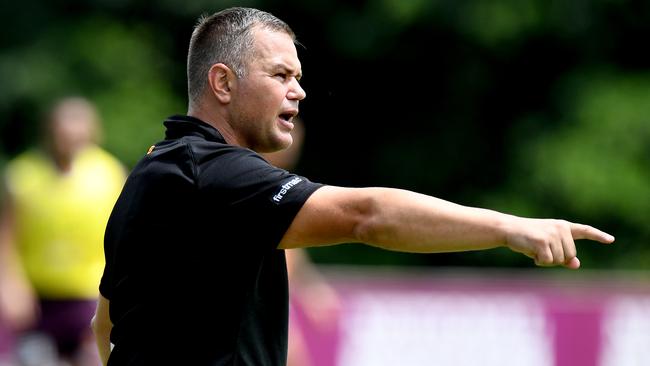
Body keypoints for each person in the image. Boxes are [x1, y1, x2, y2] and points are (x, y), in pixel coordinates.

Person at [92, 7, 615, 366]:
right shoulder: (212, 173)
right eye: (279, 75)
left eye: (297, 76)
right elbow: (366, 216)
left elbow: (106, 323)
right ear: (223, 83)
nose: (298, 91)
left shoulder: (151, 173)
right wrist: (507, 227)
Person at [0, 97, 126, 366]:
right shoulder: (23, 176)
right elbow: (6, 237)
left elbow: (125, 238)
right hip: (36, 298)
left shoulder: (110, 175)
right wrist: (11, 285)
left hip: (91, 296)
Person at [262, 118, 342, 366]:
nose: (293, 147)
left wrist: (312, 290)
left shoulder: (280, 185)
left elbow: (290, 247)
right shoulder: (249, 182)